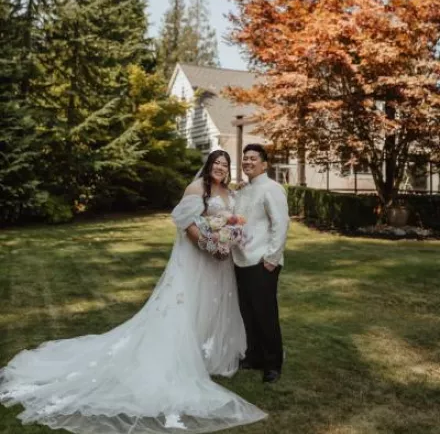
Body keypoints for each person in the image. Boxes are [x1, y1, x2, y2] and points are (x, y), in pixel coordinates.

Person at [0, 149, 266, 434]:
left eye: (225, 165)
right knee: (188, 305)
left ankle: (209, 355)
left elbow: (231, 222)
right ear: (209, 165)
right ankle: (184, 357)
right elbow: (186, 223)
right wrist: (210, 245)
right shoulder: (195, 188)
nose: (221, 168)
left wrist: (229, 238)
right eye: (217, 163)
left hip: (219, 266)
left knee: (214, 306)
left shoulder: (230, 192)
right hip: (199, 260)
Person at [233, 144, 290, 384]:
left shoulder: (272, 188)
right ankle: (254, 356)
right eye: (245, 159)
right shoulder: (244, 190)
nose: (247, 162)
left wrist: (271, 258)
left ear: (264, 164)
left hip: (262, 261)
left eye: (253, 159)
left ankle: (272, 364)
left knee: (265, 314)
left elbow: (280, 224)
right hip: (240, 260)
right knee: (248, 312)